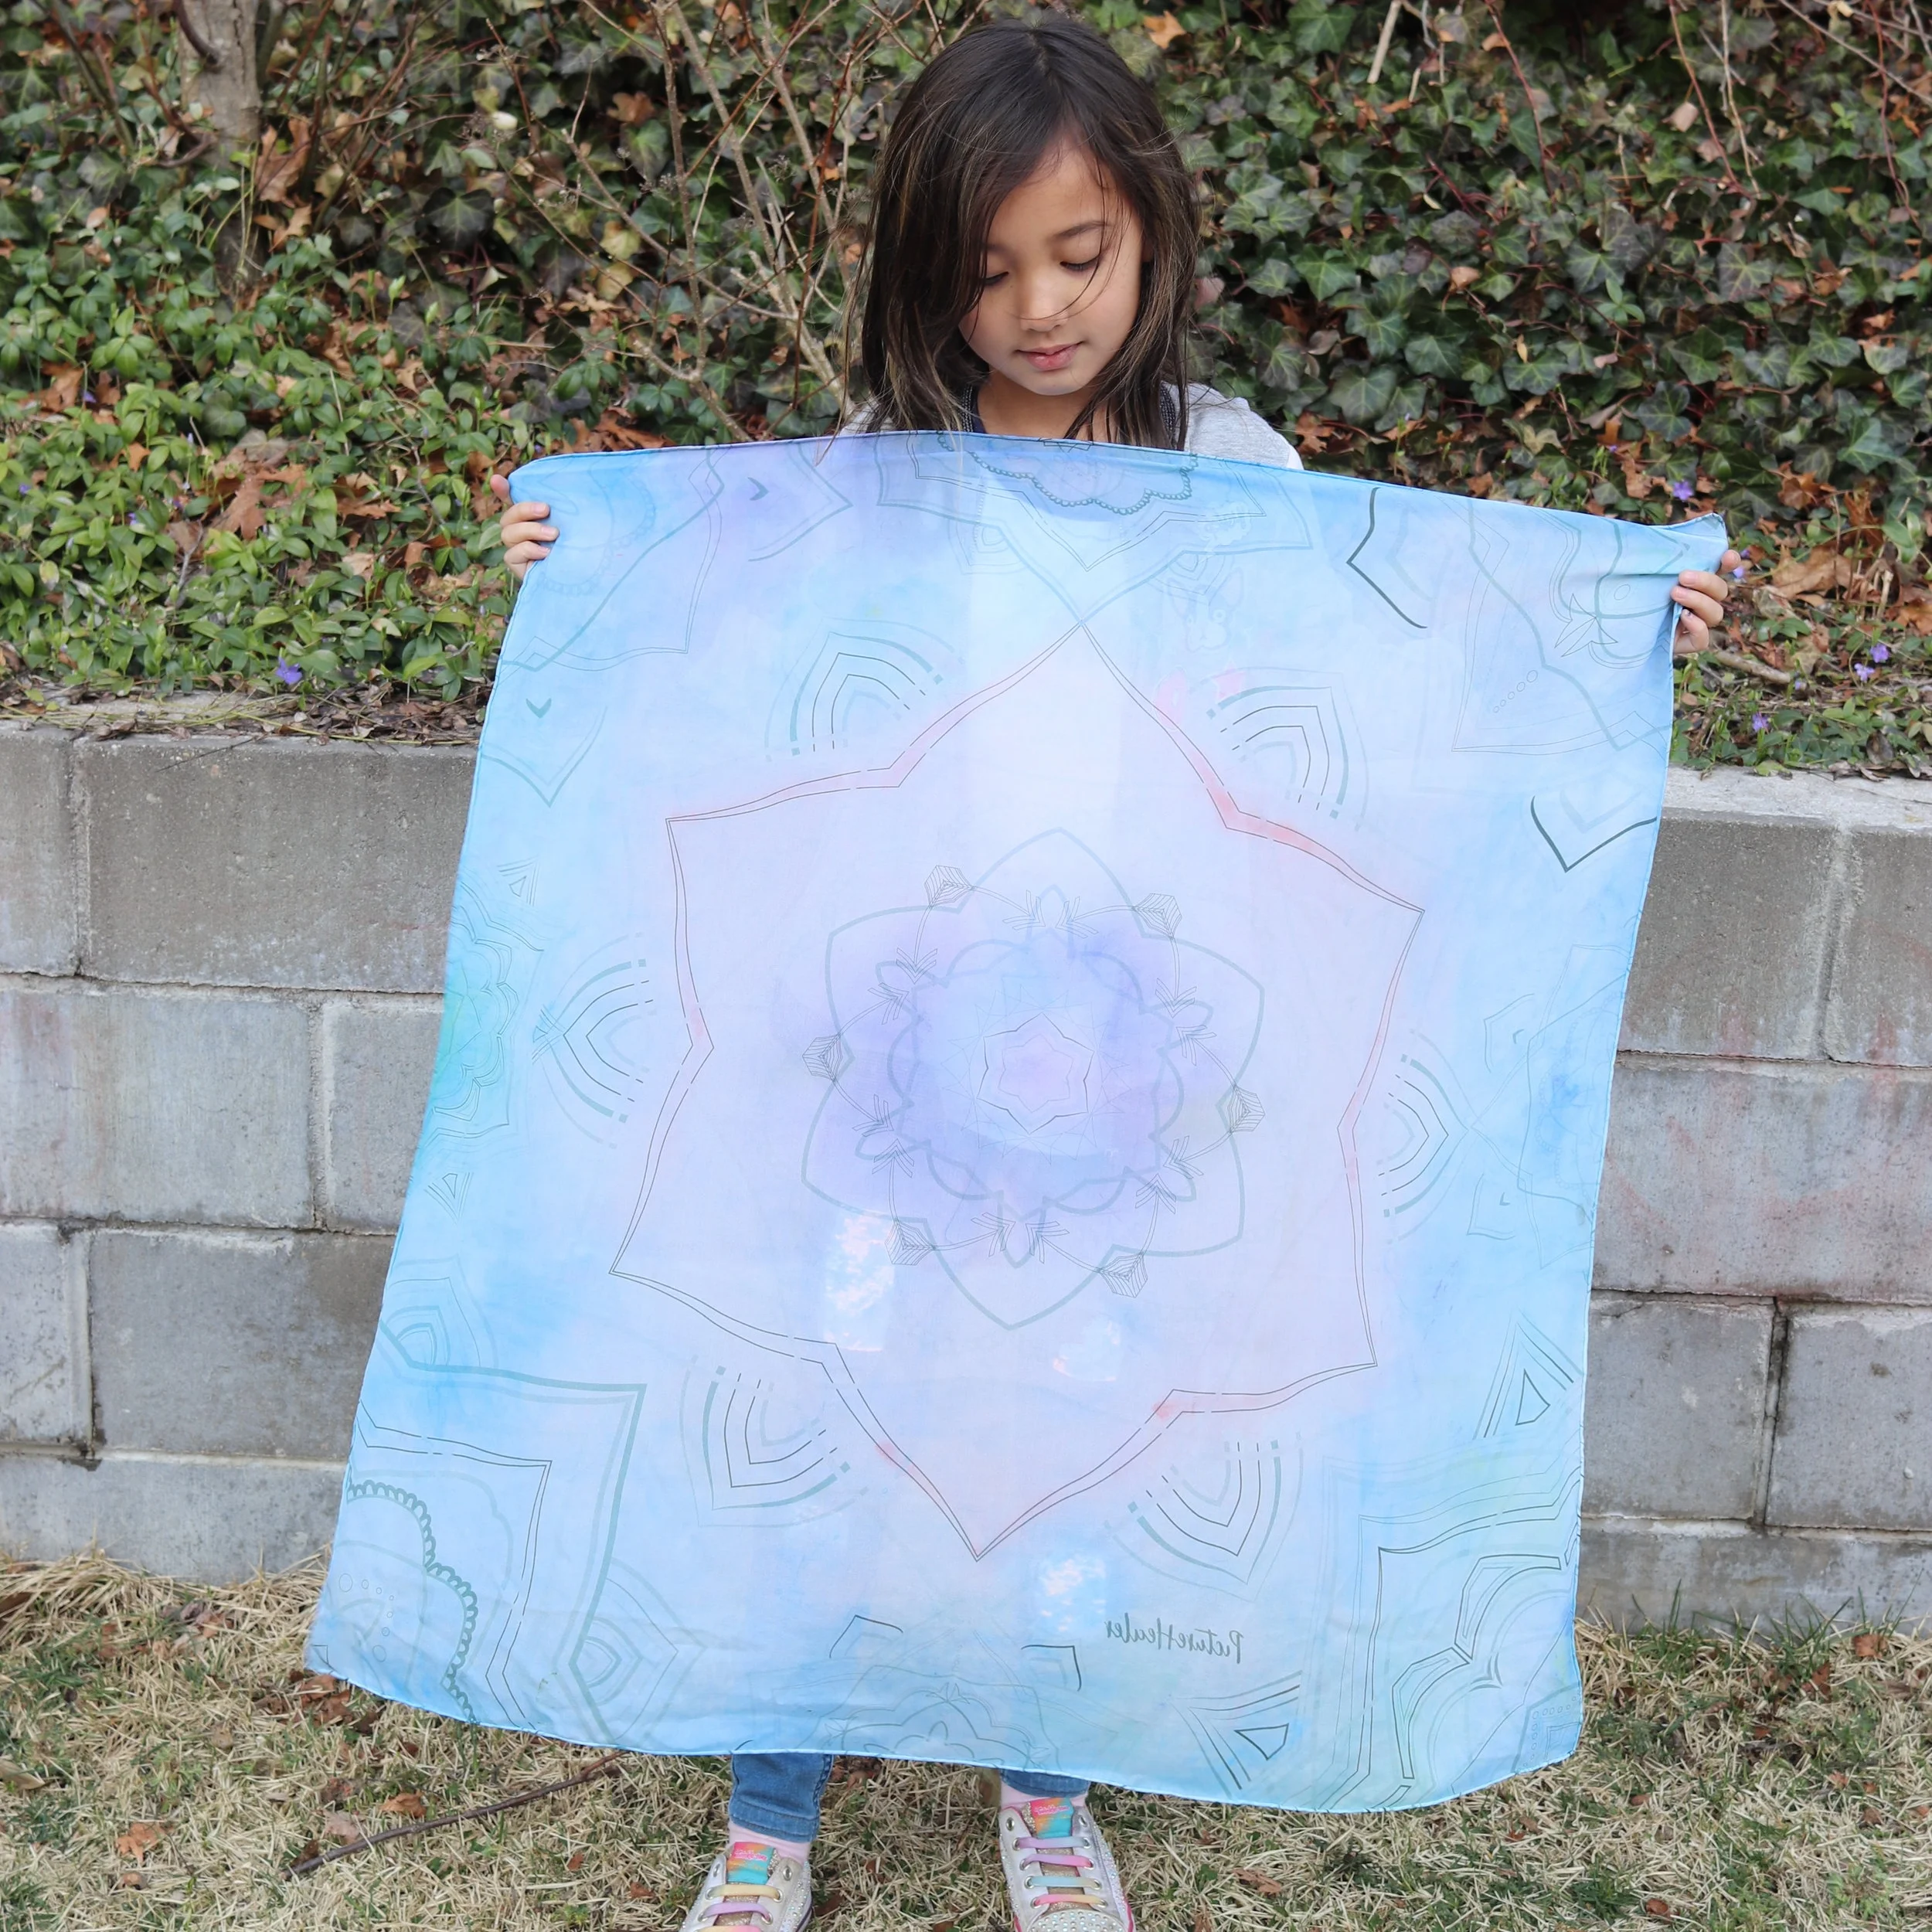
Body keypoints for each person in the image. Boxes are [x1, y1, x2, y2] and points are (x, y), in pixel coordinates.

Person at [488, 17, 1741, 1932]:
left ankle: (1048, 1778)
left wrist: (1612, 611)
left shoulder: (1230, 469)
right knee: (827, 1412)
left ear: (1149, 230)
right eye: (985, 270)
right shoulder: (874, 475)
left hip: (1118, 1050)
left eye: (1077, 255)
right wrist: (583, 558)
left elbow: (1375, 684)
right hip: (885, 1046)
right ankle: (766, 1803)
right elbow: (728, 656)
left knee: (1069, 1411)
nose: (1036, 307)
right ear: (925, 271)